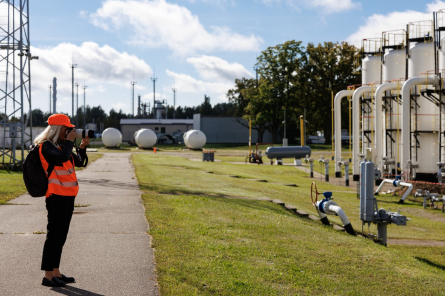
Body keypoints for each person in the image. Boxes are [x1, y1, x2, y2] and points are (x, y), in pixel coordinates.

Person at [33, 114, 89, 287]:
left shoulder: (61, 145)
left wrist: (82, 148)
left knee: (61, 236)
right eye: (67, 128)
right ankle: (48, 276)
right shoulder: (46, 146)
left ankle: (56, 272)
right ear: (58, 129)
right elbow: (63, 157)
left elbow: (78, 162)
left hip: (68, 196)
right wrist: (70, 142)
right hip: (56, 196)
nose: (70, 131)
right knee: (54, 236)